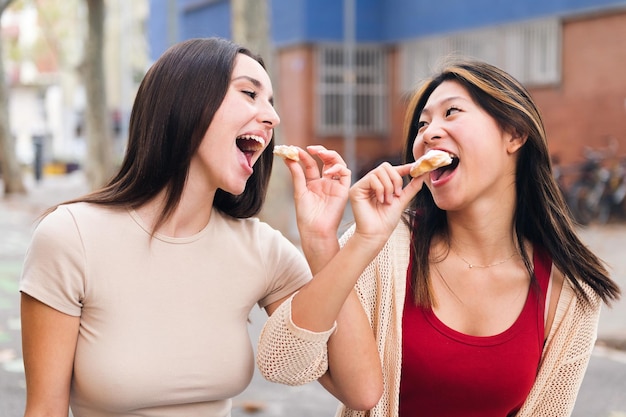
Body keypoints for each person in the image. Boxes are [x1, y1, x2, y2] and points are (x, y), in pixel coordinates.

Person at [19, 37, 382, 417]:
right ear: (186, 103)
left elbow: (361, 391)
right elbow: (45, 409)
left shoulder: (260, 249)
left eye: (271, 103)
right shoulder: (70, 237)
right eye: (249, 93)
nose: (272, 117)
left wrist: (324, 241)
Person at [257, 59, 621, 416]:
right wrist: (327, 243)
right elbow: (283, 364)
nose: (428, 133)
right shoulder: (384, 248)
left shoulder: (570, 291)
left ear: (515, 134)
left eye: (451, 113)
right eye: (422, 125)